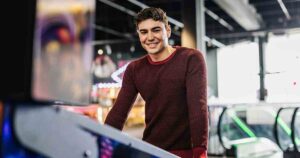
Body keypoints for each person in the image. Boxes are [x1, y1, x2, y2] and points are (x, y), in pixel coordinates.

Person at [104, 7, 208, 158]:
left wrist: (200, 152)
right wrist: (103, 143)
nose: (150, 37)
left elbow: (198, 108)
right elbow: (118, 113)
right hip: (150, 151)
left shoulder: (191, 59)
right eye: (144, 32)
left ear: (168, 30)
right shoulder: (134, 69)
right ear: (139, 34)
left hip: (184, 152)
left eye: (156, 30)